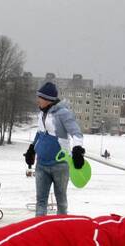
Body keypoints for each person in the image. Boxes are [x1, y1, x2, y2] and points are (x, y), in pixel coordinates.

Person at [24, 81, 86, 216]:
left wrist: (77, 151)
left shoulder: (63, 113)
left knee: (61, 201)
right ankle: (40, 231)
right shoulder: (41, 114)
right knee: (41, 201)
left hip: (60, 165)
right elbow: (40, 133)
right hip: (41, 164)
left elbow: (76, 133)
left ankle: (61, 230)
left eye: (40, 97)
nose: (38, 100)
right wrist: (31, 149)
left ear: (47, 99)